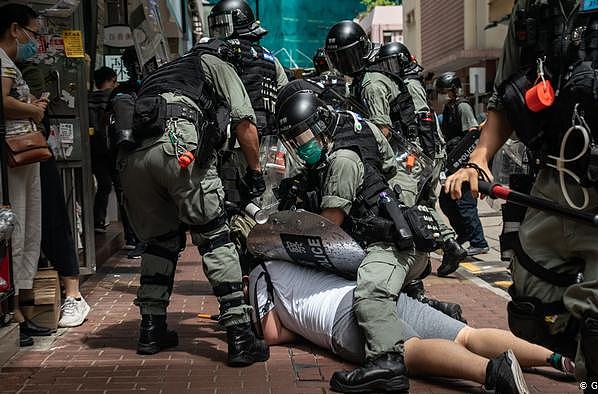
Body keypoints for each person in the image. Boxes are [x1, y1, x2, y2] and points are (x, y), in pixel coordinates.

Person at [444, 0, 598, 390]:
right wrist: (479, 157)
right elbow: (505, 96)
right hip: (552, 180)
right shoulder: (531, 8)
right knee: (531, 318)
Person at [117, 38, 268, 367]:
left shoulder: (164, 72)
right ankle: (240, 337)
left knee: (160, 243)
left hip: (133, 161)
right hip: (177, 145)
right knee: (215, 237)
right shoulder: (214, 63)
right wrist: (256, 172)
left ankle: (151, 329)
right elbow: (244, 122)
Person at [275, 83, 434, 392]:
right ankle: (433, 308)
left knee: (369, 292)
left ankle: (387, 363)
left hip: (388, 241)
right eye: (295, 141)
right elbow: (390, 165)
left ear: (320, 127)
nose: (301, 146)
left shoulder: (341, 161)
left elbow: (328, 227)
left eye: (304, 137)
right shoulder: (355, 123)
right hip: (389, 232)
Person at [249, 260, 575, 394]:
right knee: (468, 334)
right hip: (377, 289)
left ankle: (493, 373)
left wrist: (295, 324)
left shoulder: (260, 271)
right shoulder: (297, 249)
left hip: (340, 318)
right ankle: (558, 360)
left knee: (409, 349)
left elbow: (271, 333)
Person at [324, 21, 471, 281]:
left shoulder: (370, 83)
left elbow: (382, 129)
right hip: (418, 153)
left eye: (346, 56)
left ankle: (413, 280)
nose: (343, 63)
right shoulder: (375, 76)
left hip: (406, 157)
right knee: (422, 207)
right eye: (338, 58)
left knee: (404, 212)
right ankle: (449, 245)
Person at [207, 0, 288, 264]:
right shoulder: (271, 59)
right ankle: (268, 266)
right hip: (272, 145)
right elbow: (285, 97)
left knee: (232, 208)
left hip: (236, 146)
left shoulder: (219, 56)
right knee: (269, 206)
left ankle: (243, 268)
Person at [19, 62, 90, 328]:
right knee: (22, 229)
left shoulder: (26, 69)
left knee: (52, 220)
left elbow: (36, 112)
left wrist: (26, 107)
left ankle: (73, 294)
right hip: (15, 160)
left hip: (30, 152)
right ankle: (19, 304)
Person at [0, 3, 52, 347]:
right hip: (13, 154)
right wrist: (33, 108)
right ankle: (14, 312)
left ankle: (20, 308)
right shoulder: (1, 61)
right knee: (16, 226)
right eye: (32, 33)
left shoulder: (11, 64)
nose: (34, 40)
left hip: (24, 151)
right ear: (15, 29)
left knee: (27, 226)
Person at [435, 72, 489, 277]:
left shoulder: (463, 107)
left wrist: (466, 162)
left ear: (454, 89)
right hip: (453, 163)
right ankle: (464, 233)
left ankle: (479, 242)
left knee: (465, 203)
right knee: (446, 200)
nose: (443, 95)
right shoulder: (449, 108)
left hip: (464, 164)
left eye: (445, 91)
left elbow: (472, 133)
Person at [109, 47, 144, 258]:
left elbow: (107, 121)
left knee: (131, 198)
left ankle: (137, 240)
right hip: (150, 149)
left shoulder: (120, 91)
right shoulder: (155, 85)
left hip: (127, 153)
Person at [89, 66, 118, 234]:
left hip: (94, 150)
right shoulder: (114, 98)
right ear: (112, 79)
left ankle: (98, 221)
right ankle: (131, 235)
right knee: (120, 187)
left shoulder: (88, 98)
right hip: (113, 150)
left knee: (103, 185)